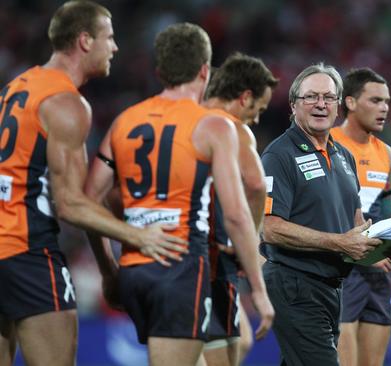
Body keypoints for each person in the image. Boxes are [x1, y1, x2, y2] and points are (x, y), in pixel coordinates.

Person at [0, 2, 186, 365]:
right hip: (27, 250)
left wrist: (107, 269)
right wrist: (139, 236)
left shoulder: (14, 88)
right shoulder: (66, 103)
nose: (115, 47)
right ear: (85, 40)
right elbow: (70, 204)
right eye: (109, 37)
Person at [83, 23, 273, 366]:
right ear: (205, 70)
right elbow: (237, 212)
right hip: (181, 267)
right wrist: (258, 288)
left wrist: (109, 268)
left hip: (133, 271)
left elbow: (89, 200)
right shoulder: (214, 126)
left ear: (159, 71)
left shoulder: (125, 120)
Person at [261, 63, 391, 365]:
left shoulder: (344, 157)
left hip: (333, 287)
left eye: (329, 97)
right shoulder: (279, 155)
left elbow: (354, 224)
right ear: (293, 105)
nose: (321, 104)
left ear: (339, 106)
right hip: (294, 283)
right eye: (311, 97)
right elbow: (269, 228)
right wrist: (339, 243)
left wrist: (385, 248)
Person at [331, 67, 391, 366]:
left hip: (378, 274)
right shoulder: (325, 144)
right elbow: (319, 213)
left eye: (387, 101)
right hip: (340, 272)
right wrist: (362, 249)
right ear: (350, 102)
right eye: (375, 100)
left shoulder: (386, 154)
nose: (384, 108)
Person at [201, 52, 278, 366]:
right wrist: (253, 242)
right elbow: (256, 186)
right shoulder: (232, 129)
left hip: (170, 255)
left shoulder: (185, 119)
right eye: (258, 110)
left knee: (242, 339)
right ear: (245, 97)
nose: (256, 120)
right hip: (211, 257)